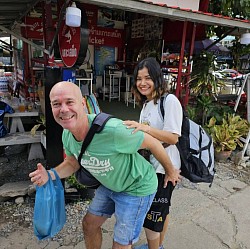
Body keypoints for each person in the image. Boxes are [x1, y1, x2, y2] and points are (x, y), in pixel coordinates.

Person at [29, 81, 181, 249]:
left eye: (69, 102)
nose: (63, 109)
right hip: (110, 184)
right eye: (56, 104)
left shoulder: (113, 130)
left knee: (121, 243)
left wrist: (170, 171)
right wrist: (50, 175)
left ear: (82, 105)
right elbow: (72, 162)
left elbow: (153, 143)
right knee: (89, 224)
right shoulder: (67, 134)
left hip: (137, 187)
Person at [124, 57, 183, 249]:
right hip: (152, 167)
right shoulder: (147, 104)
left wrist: (144, 129)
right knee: (161, 212)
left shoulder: (170, 101)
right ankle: (159, 246)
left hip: (165, 168)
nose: (142, 83)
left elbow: (173, 137)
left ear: (157, 78)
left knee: (153, 217)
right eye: (139, 79)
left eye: (147, 78)